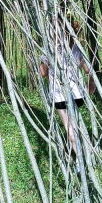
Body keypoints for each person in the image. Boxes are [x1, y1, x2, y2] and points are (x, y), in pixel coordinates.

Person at [39, 14, 96, 155]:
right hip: (74, 93)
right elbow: (87, 69)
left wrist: (41, 59)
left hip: (62, 95)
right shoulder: (75, 47)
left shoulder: (50, 48)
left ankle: (81, 159)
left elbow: (43, 73)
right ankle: (84, 157)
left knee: (70, 130)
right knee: (74, 126)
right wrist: (91, 81)